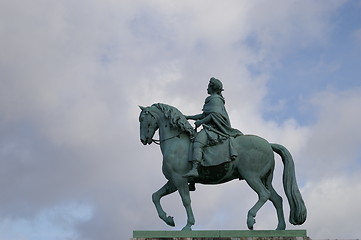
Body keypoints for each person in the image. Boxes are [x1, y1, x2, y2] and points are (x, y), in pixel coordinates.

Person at [184, 77, 242, 178]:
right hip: (210, 128)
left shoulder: (215, 99)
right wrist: (188, 117)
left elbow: (213, 115)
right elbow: (204, 115)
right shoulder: (213, 99)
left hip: (214, 130)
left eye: (208, 86)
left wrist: (201, 122)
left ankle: (195, 169)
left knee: (197, 144)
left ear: (212, 87)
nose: (207, 88)